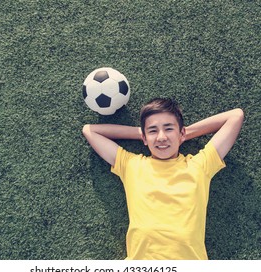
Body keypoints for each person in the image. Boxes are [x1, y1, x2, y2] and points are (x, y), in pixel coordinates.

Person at [82, 98, 244, 260]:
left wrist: (183, 135)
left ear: (182, 133)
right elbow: (90, 131)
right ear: (144, 138)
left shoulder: (199, 165)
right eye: (153, 131)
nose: (161, 137)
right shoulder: (132, 165)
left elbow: (235, 116)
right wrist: (145, 134)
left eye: (168, 129)